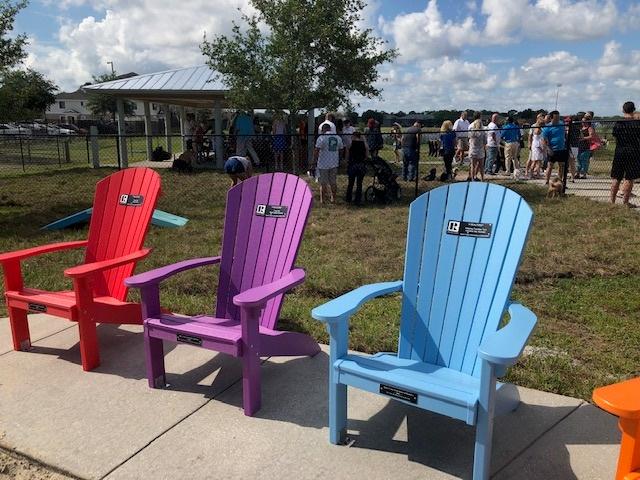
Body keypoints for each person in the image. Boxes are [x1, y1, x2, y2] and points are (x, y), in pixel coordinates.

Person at [610, 101, 640, 207]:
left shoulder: (619, 123)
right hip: (633, 152)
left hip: (620, 151)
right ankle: (625, 203)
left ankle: (612, 202)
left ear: (623, 110)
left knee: (616, 178)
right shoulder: (637, 123)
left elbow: (615, 134)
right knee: (629, 178)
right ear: (634, 109)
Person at [313, 123, 344, 204]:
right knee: (333, 182)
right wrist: (339, 158)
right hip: (334, 162)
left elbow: (316, 150)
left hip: (323, 164)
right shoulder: (338, 138)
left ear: (323, 130)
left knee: (323, 183)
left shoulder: (321, 138)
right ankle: (333, 198)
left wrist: (314, 161)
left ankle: (322, 200)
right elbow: (341, 149)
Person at [542, 110, 568, 185]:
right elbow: (544, 140)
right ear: (551, 118)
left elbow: (565, 134)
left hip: (561, 149)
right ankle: (546, 181)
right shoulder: (547, 128)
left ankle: (559, 181)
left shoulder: (562, 124)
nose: (558, 119)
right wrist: (548, 149)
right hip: (552, 149)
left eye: (558, 117)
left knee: (561, 166)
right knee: (550, 166)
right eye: (556, 118)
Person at [346, 131, 369, 205]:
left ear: (353, 136)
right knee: (359, 183)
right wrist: (364, 140)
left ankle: (348, 198)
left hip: (352, 164)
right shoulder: (363, 144)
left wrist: (347, 160)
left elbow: (347, 149)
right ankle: (357, 199)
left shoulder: (351, 143)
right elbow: (367, 151)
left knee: (350, 182)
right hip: (361, 164)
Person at [468, 113, 486, 182]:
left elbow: (469, 137)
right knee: (481, 166)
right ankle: (482, 178)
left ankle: (472, 178)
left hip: (473, 149)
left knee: (473, 165)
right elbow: (485, 141)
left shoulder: (472, 131)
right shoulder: (482, 131)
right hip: (480, 150)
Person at [577, 114, 596, 179]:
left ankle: (584, 174)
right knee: (578, 159)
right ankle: (578, 173)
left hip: (586, 146)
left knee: (584, 160)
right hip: (579, 146)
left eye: (584, 121)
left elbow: (592, 136)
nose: (583, 123)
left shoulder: (589, 128)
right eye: (582, 121)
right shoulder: (581, 128)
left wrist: (584, 138)